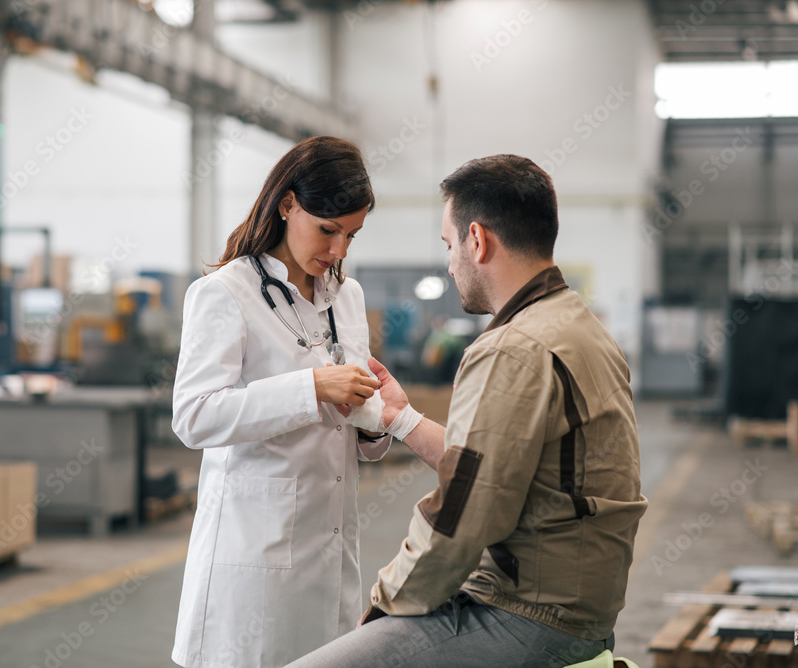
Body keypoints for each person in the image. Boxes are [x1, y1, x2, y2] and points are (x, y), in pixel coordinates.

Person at [287, 154, 649, 668]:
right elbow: (498, 468)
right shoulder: (579, 327)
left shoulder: (511, 347)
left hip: (525, 615)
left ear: (476, 241)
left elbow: (461, 516)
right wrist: (401, 419)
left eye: (448, 245)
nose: (449, 262)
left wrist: (383, 603)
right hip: (581, 607)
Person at [171, 136, 401, 668]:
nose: (339, 250)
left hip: (332, 551)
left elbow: (355, 431)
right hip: (254, 556)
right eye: (328, 230)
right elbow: (194, 416)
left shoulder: (347, 297)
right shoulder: (226, 294)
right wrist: (313, 387)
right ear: (287, 204)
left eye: (351, 234)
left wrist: (375, 424)